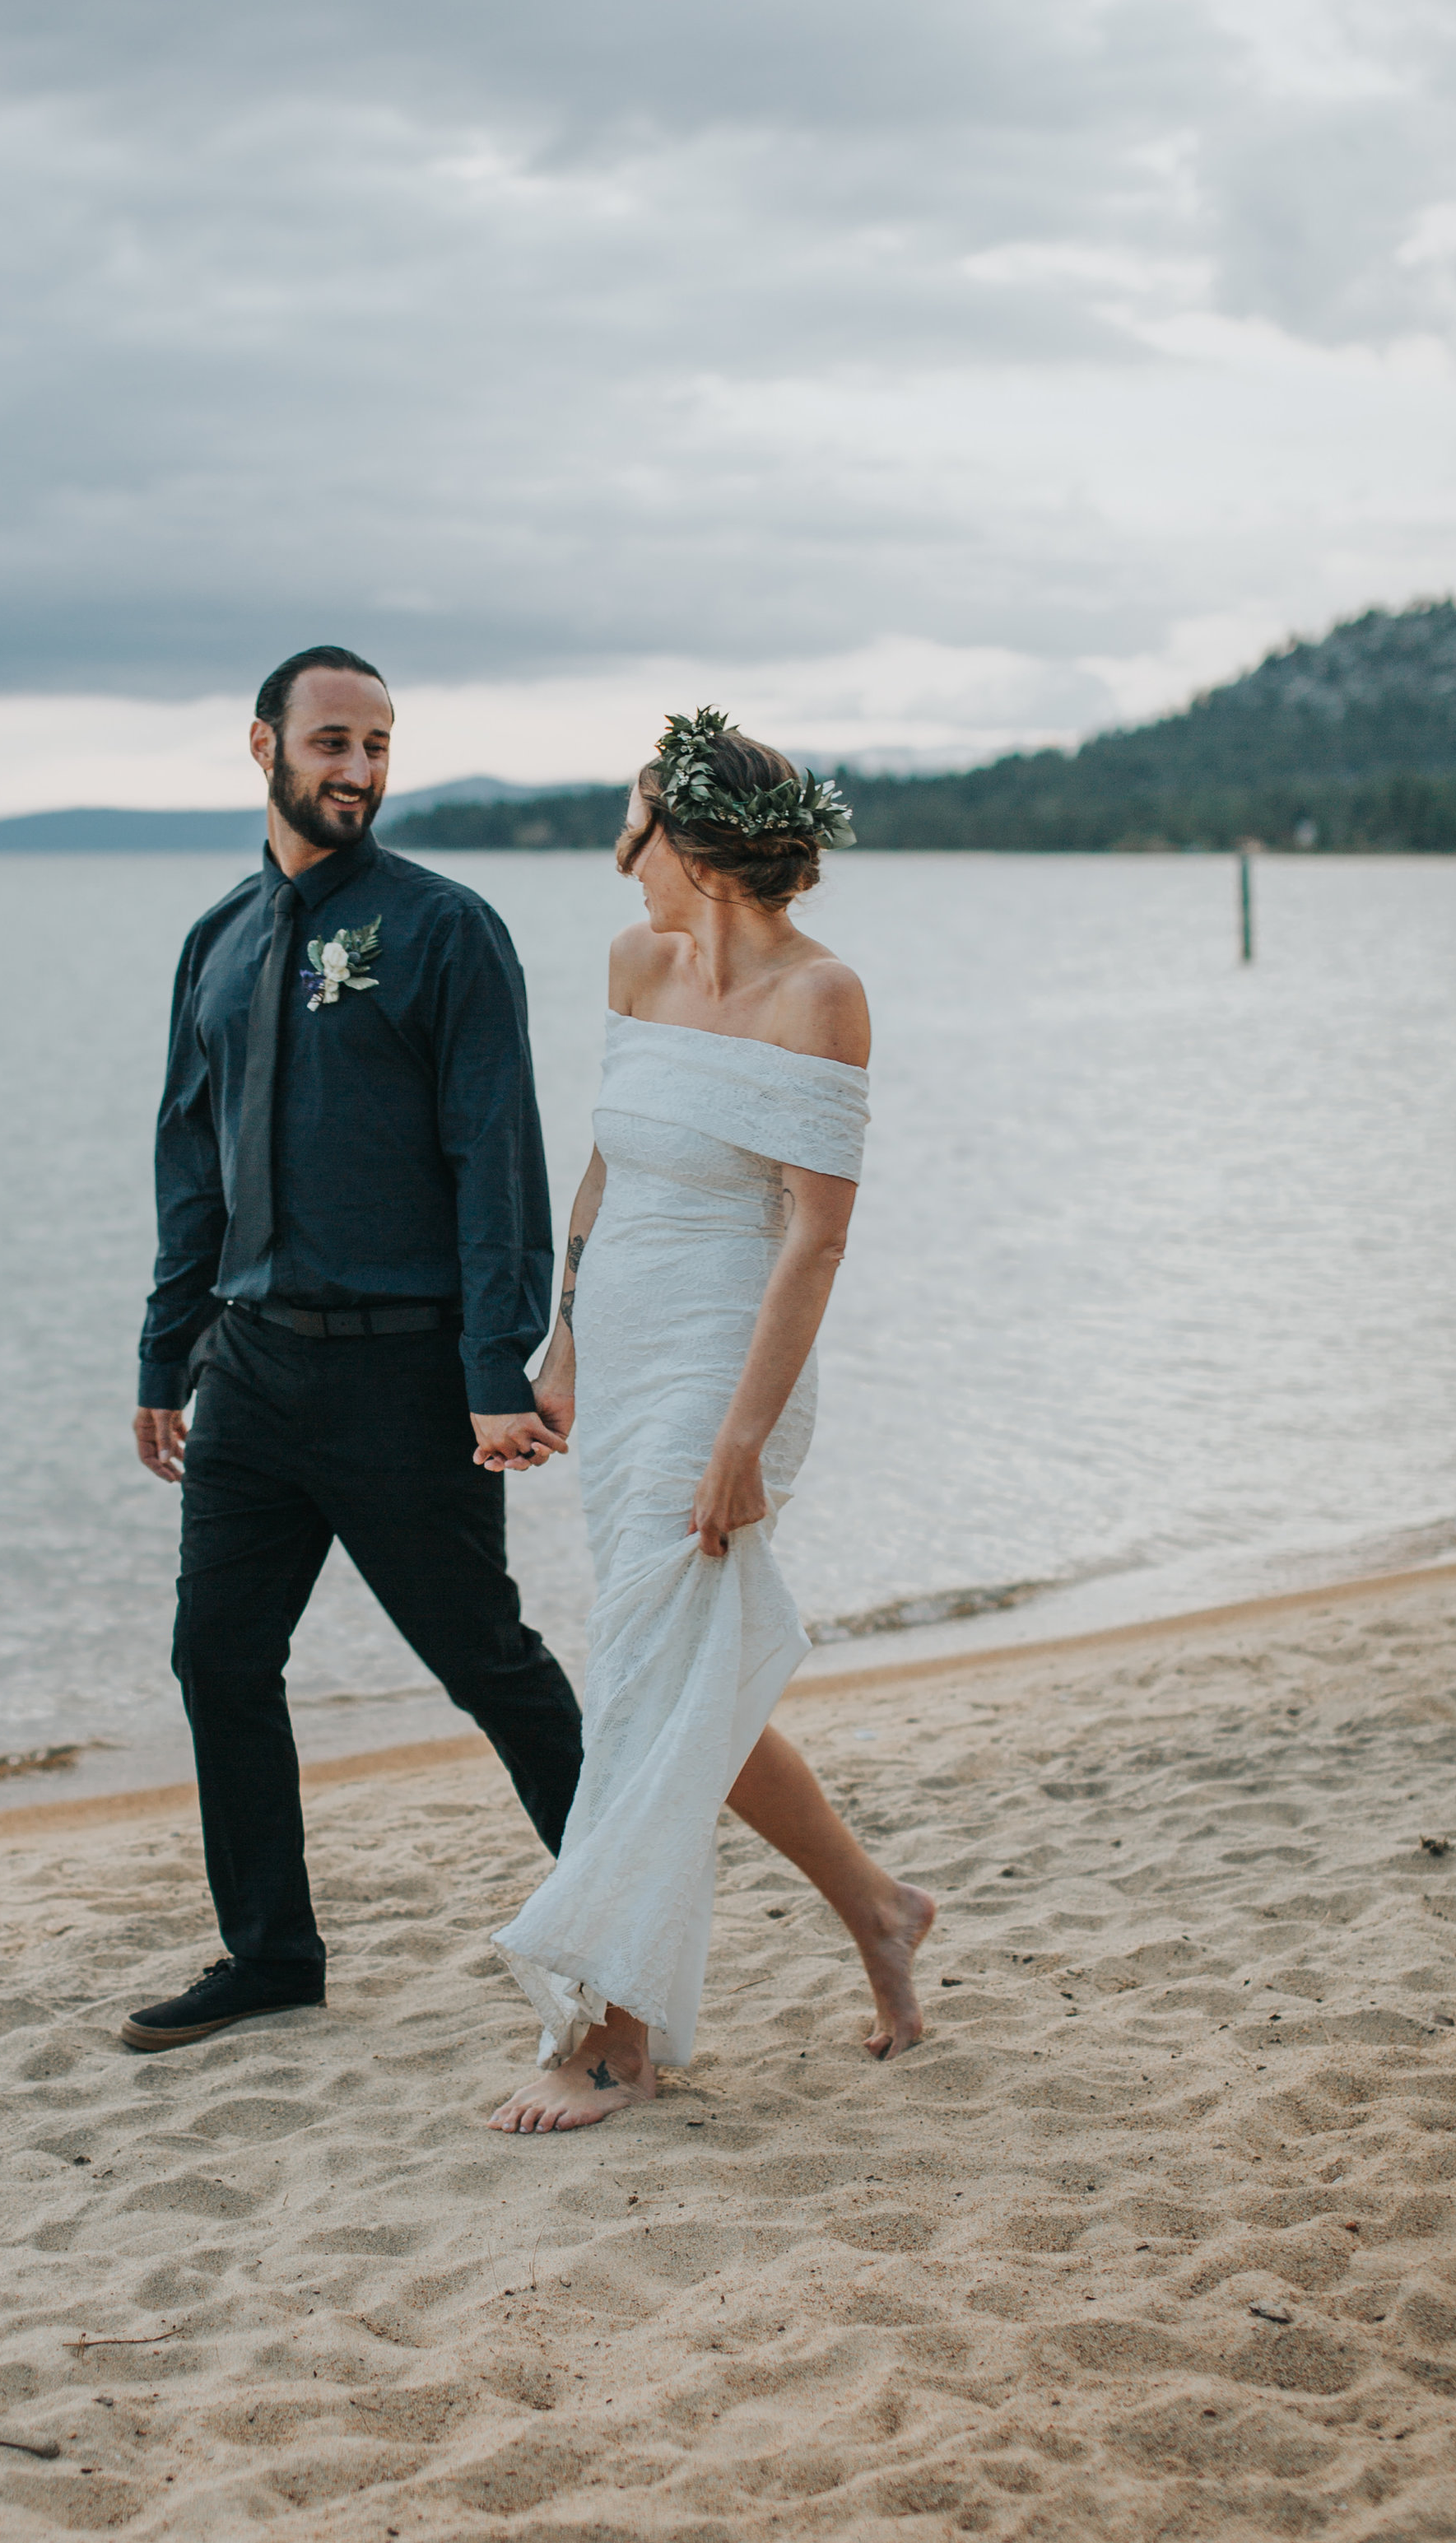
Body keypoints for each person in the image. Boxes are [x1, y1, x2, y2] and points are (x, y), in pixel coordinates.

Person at [122, 644, 584, 2052]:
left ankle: (624, 1898)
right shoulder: (218, 939)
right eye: (333, 741)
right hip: (249, 1371)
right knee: (218, 1656)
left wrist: (496, 1374)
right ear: (261, 744)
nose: (360, 770)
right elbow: (187, 1161)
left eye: (378, 746)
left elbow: (496, 1157)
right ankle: (270, 1953)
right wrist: (164, 1351)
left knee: (486, 1660)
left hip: (404, 1374)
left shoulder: (446, 929)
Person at [488, 710, 935, 2133]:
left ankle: (613, 2035)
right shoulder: (634, 964)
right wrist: (561, 1343)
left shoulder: (823, 996)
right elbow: (607, 1164)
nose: (619, 856)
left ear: (687, 840)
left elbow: (814, 1239)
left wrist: (743, 1436)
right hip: (622, 1350)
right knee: (679, 1675)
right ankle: (879, 1907)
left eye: (632, 826)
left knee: (642, 1677)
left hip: (731, 1359)